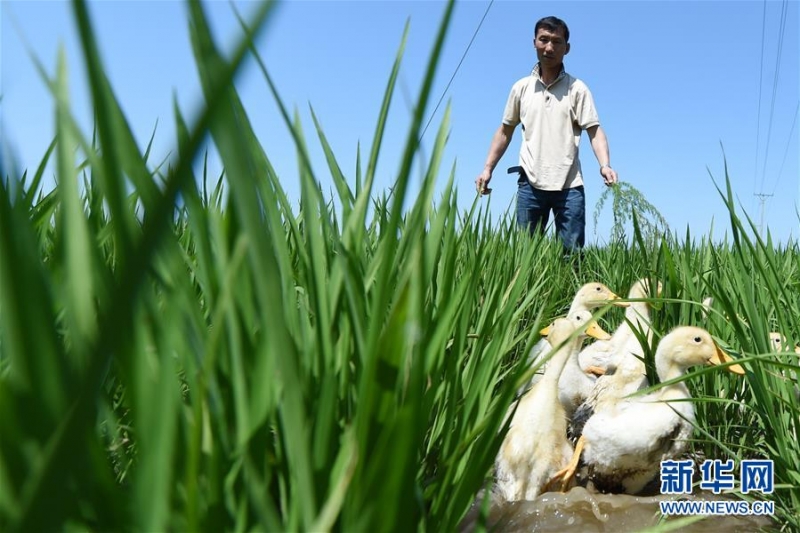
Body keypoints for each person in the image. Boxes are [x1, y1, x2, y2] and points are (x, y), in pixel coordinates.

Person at [475, 16, 618, 253]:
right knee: (525, 256)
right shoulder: (521, 88)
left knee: (571, 256)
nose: (549, 47)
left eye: (556, 41)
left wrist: (605, 165)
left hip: (569, 186)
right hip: (530, 184)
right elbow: (505, 131)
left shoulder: (577, 89)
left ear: (567, 48)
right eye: (544, 40)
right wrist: (488, 168)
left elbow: (594, 130)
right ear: (534, 42)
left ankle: (569, 290)